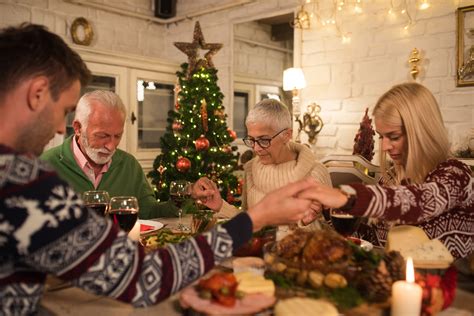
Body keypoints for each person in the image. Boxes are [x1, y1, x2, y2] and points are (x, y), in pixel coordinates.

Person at [0, 23, 318, 314]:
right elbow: (141, 277)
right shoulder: (21, 181)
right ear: (37, 92)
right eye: (63, 110)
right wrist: (256, 218)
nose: (59, 127)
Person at [299, 82, 473, 259]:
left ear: (421, 132)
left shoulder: (456, 174)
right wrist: (330, 211)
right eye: (382, 136)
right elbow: (369, 241)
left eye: (394, 136)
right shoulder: (391, 179)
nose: (385, 147)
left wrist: (347, 197)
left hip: (453, 285)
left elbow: (420, 201)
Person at [195, 98, 332, 229]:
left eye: (264, 140)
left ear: (287, 135)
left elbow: (332, 232)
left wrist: (306, 221)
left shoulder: (316, 173)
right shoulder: (250, 169)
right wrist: (220, 206)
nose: (256, 148)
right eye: (251, 140)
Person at [41, 90, 176, 219]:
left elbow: (150, 212)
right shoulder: (45, 165)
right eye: (102, 135)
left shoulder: (129, 164)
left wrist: (187, 197)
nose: (111, 146)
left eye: (117, 136)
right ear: (78, 128)